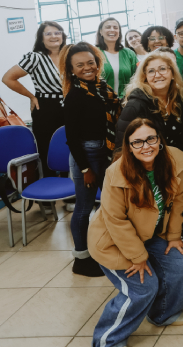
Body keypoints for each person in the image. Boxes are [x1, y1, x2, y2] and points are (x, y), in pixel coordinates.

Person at [88, 118, 183, 346]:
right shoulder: (116, 173)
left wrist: (174, 236)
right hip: (112, 242)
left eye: (150, 139)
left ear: (159, 140)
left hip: (148, 236)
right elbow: (115, 220)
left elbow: (178, 203)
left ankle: (162, 314)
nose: (146, 146)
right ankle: (107, 340)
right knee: (144, 287)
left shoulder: (173, 161)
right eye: (137, 142)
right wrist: (138, 257)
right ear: (129, 146)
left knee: (182, 266)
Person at [116, 51, 183, 249]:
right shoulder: (136, 104)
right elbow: (122, 146)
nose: (158, 74)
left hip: (179, 167)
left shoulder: (180, 99)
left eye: (163, 69)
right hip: (150, 170)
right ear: (144, 76)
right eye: (151, 71)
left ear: (172, 73)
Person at [63, 42, 121, 277]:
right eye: (80, 65)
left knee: (110, 204)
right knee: (84, 208)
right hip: (86, 155)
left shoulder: (103, 88)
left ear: (98, 63)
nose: (87, 67)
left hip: (107, 151)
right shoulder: (75, 95)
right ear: (71, 70)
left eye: (90, 62)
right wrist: (86, 168)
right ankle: (81, 259)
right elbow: (71, 138)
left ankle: (104, 249)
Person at [3, 21, 67, 178]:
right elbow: (8, 78)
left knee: (67, 145)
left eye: (57, 32)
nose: (54, 36)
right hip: (46, 107)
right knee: (46, 148)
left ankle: (69, 189)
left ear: (63, 35)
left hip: (69, 106)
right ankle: (49, 191)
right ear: (41, 38)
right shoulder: (35, 57)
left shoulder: (69, 54)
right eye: (48, 33)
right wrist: (31, 96)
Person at [95, 17, 138, 96]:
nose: (112, 30)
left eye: (115, 27)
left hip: (127, 101)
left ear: (119, 32)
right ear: (101, 31)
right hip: (101, 101)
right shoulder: (93, 53)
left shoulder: (129, 54)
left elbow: (137, 78)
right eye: (108, 27)